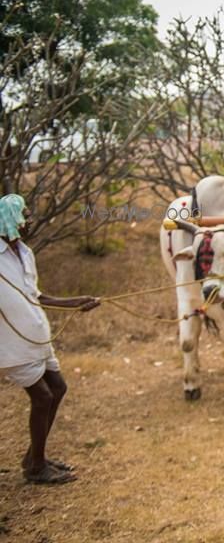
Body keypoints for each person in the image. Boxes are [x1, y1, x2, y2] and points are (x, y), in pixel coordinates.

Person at [0, 194, 100, 484]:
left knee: (58, 387)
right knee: (43, 396)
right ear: (9, 220)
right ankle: (36, 467)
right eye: (24, 216)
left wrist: (76, 302)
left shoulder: (25, 253)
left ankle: (35, 457)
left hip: (37, 337)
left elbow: (37, 296)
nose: (29, 221)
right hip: (12, 343)